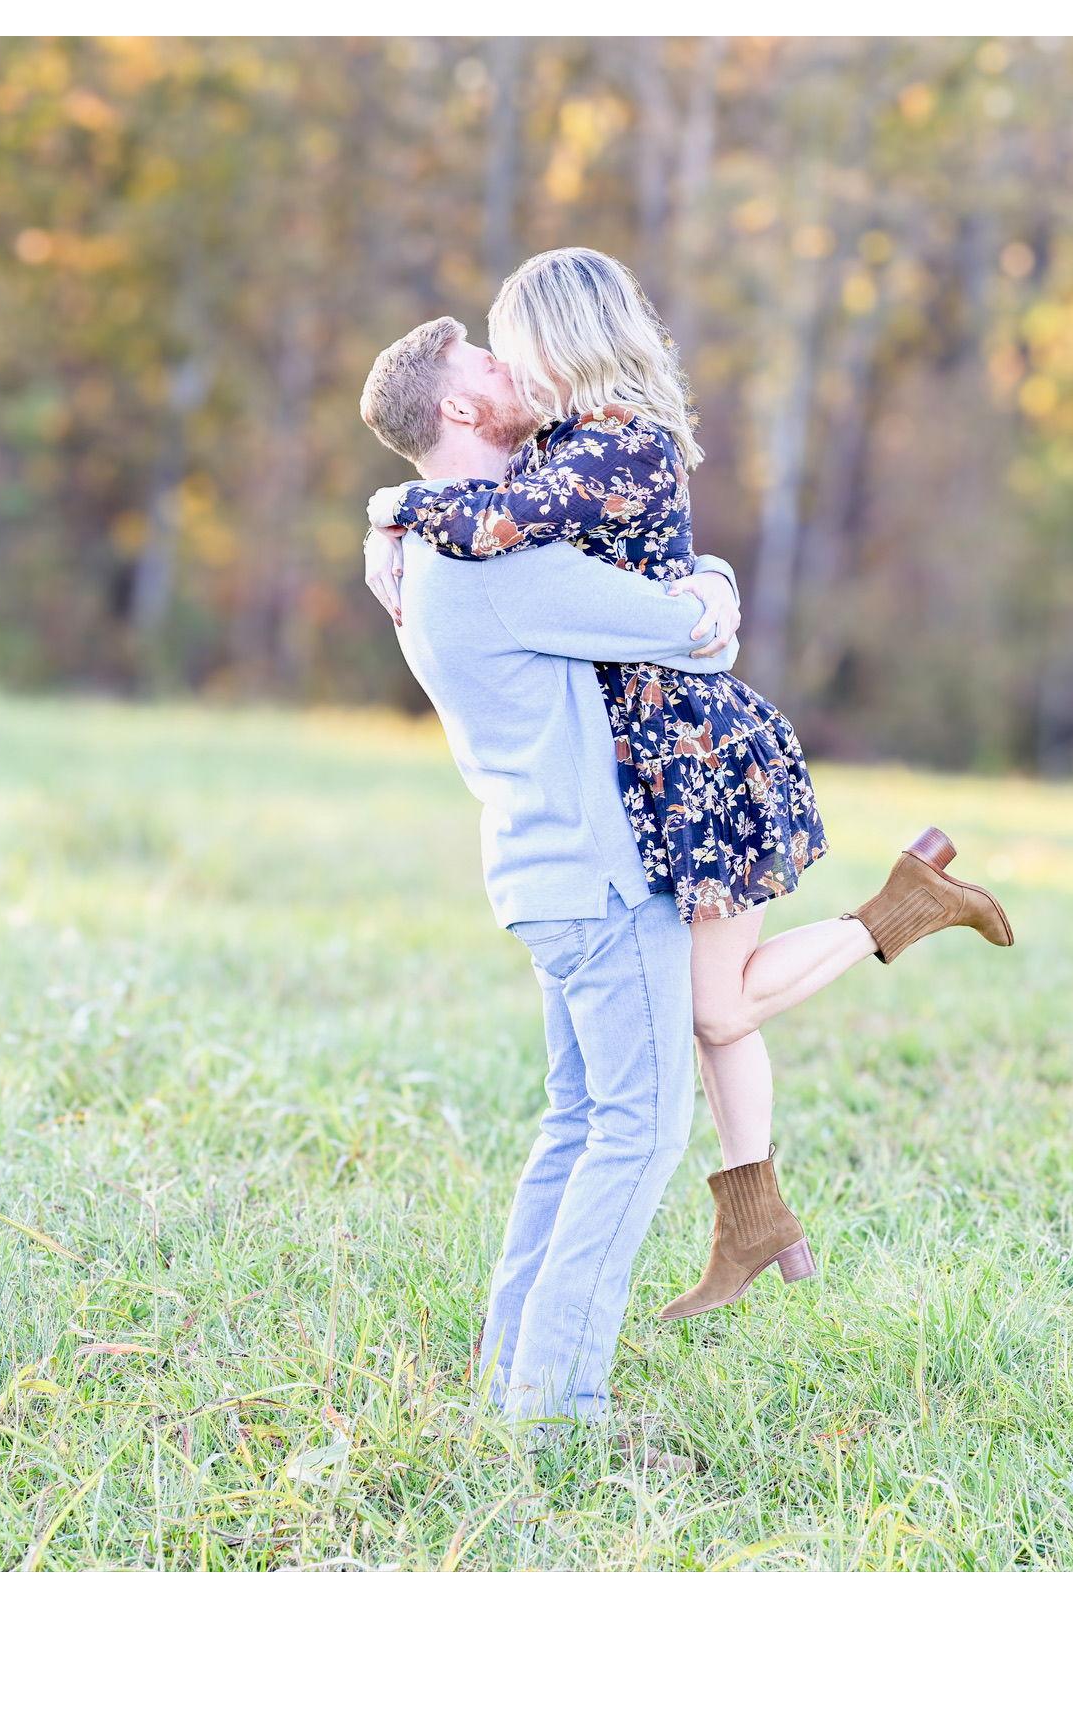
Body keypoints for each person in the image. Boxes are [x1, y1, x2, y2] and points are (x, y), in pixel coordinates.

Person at [364, 248, 1014, 1335]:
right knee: (710, 1018)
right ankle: (754, 1216)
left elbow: (492, 528)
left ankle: (902, 911)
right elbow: (489, 503)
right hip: (647, 765)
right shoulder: (560, 445)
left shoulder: (618, 444)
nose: (505, 364)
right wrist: (392, 513)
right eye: (490, 355)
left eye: (509, 341)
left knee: (715, 1010)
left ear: (558, 341)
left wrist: (395, 505)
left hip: (695, 754)